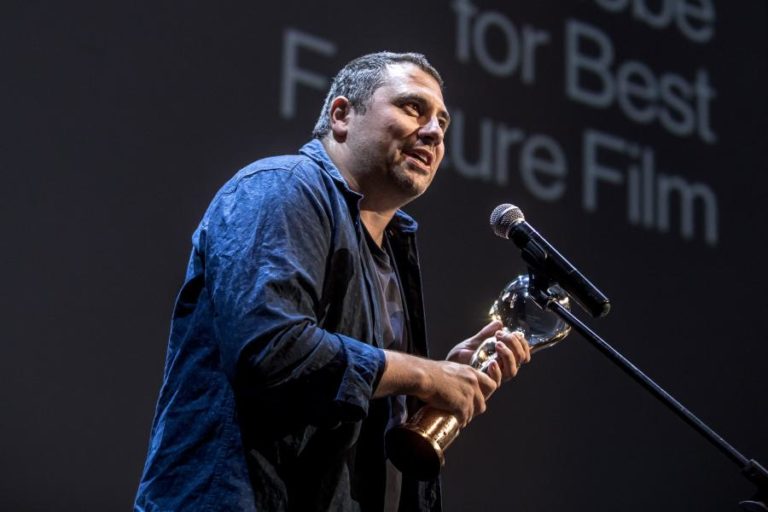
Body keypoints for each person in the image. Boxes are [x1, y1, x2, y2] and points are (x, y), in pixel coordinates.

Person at [135, 51, 531, 512]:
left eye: (443, 123)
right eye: (412, 108)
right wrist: (424, 373)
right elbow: (271, 349)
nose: (434, 131)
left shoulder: (388, 252)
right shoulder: (281, 187)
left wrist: (423, 396)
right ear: (342, 115)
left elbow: (343, 398)